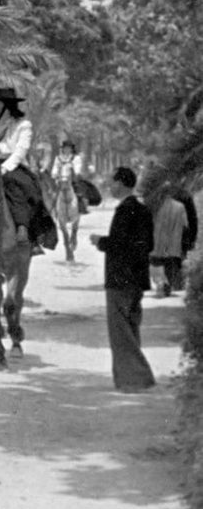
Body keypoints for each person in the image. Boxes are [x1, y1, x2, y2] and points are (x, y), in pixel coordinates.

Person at [90, 166, 156, 393]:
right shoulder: (143, 210)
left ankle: (138, 377)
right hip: (137, 279)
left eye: (112, 182)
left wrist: (100, 241)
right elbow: (149, 245)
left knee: (120, 332)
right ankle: (132, 378)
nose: (110, 186)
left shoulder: (124, 210)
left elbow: (119, 245)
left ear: (121, 183)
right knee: (131, 327)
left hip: (120, 279)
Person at [0, 87, 57, 252]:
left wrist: (4, 168)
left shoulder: (24, 125)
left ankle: (25, 229)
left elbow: (20, 151)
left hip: (12, 165)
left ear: (7, 106)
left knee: (24, 188)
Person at [51, 140, 87, 214]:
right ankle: (53, 210)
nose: (67, 150)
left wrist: (75, 171)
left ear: (71, 149)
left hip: (72, 180)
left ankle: (81, 208)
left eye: (68, 148)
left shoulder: (76, 158)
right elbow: (55, 167)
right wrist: (54, 174)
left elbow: (78, 168)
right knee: (54, 195)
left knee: (79, 193)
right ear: (63, 149)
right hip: (60, 180)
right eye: (65, 148)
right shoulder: (58, 158)